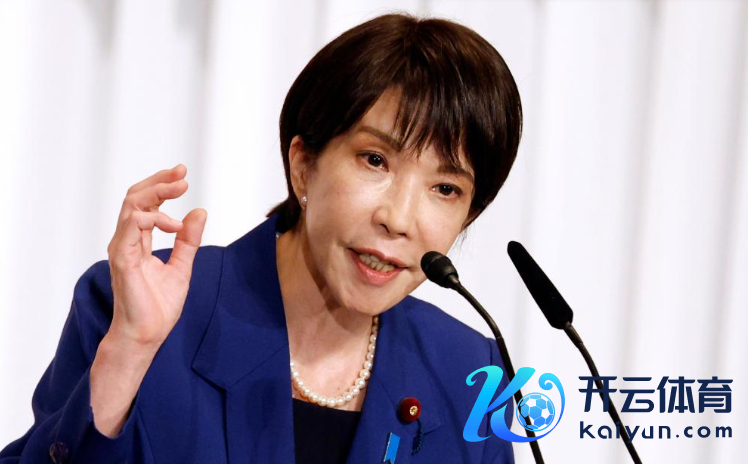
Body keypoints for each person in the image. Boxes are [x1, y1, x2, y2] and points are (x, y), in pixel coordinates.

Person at [0, 12, 522, 464]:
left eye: (445, 188)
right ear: (303, 165)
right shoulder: (138, 309)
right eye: (375, 160)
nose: (400, 219)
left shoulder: (471, 375)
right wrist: (129, 353)